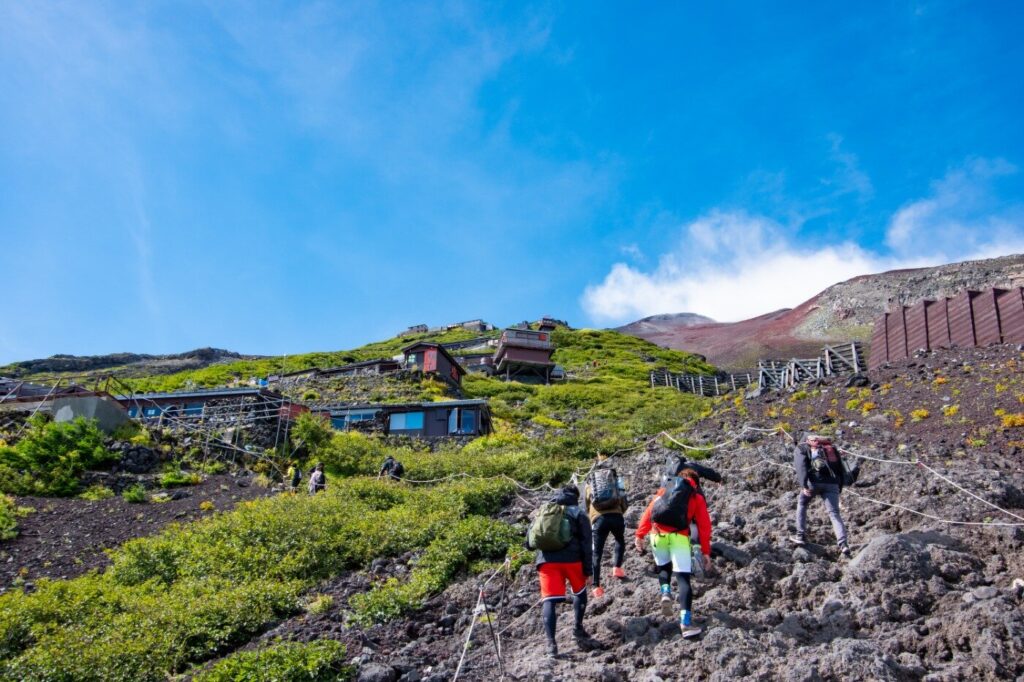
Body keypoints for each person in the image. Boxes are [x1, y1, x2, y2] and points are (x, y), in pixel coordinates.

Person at [635, 462, 714, 639]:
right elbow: (704, 526)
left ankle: (665, 592)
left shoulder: (666, 488)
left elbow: (649, 511)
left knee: (664, 568)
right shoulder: (696, 497)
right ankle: (685, 623)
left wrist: (639, 535)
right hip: (679, 537)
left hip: (657, 535)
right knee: (683, 578)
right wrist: (706, 551)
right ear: (696, 482)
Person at [526, 484, 594, 658]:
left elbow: (529, 541)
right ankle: (578, 628)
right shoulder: (578, 513)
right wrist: (588, 571)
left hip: (547, 561)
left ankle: (551, 645)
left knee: (549, 601)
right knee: (579, 592)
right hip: (573, 561)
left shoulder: (545, 509)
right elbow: (587, 544)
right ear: (575, 496)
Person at [791, 434, 851, 556]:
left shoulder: (801, 448)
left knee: (802, 504)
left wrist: (804, 485)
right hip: (833, 483)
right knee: (834, 514)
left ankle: (800, 535)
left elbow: (801, 466)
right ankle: (843, 544)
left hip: (814, 482)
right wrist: (839, 486)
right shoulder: (830, 448)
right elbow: (839, 467)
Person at [583, 468, 628, 598]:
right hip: (616, 516)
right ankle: (617, 568)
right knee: (619, 540)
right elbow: (624, 499)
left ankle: (596, 586)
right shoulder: (616, 480)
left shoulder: (590, 483)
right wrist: (620, 511)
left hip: (599, 520)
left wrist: (592, 517)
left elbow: (586, 504)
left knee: (597, 552)